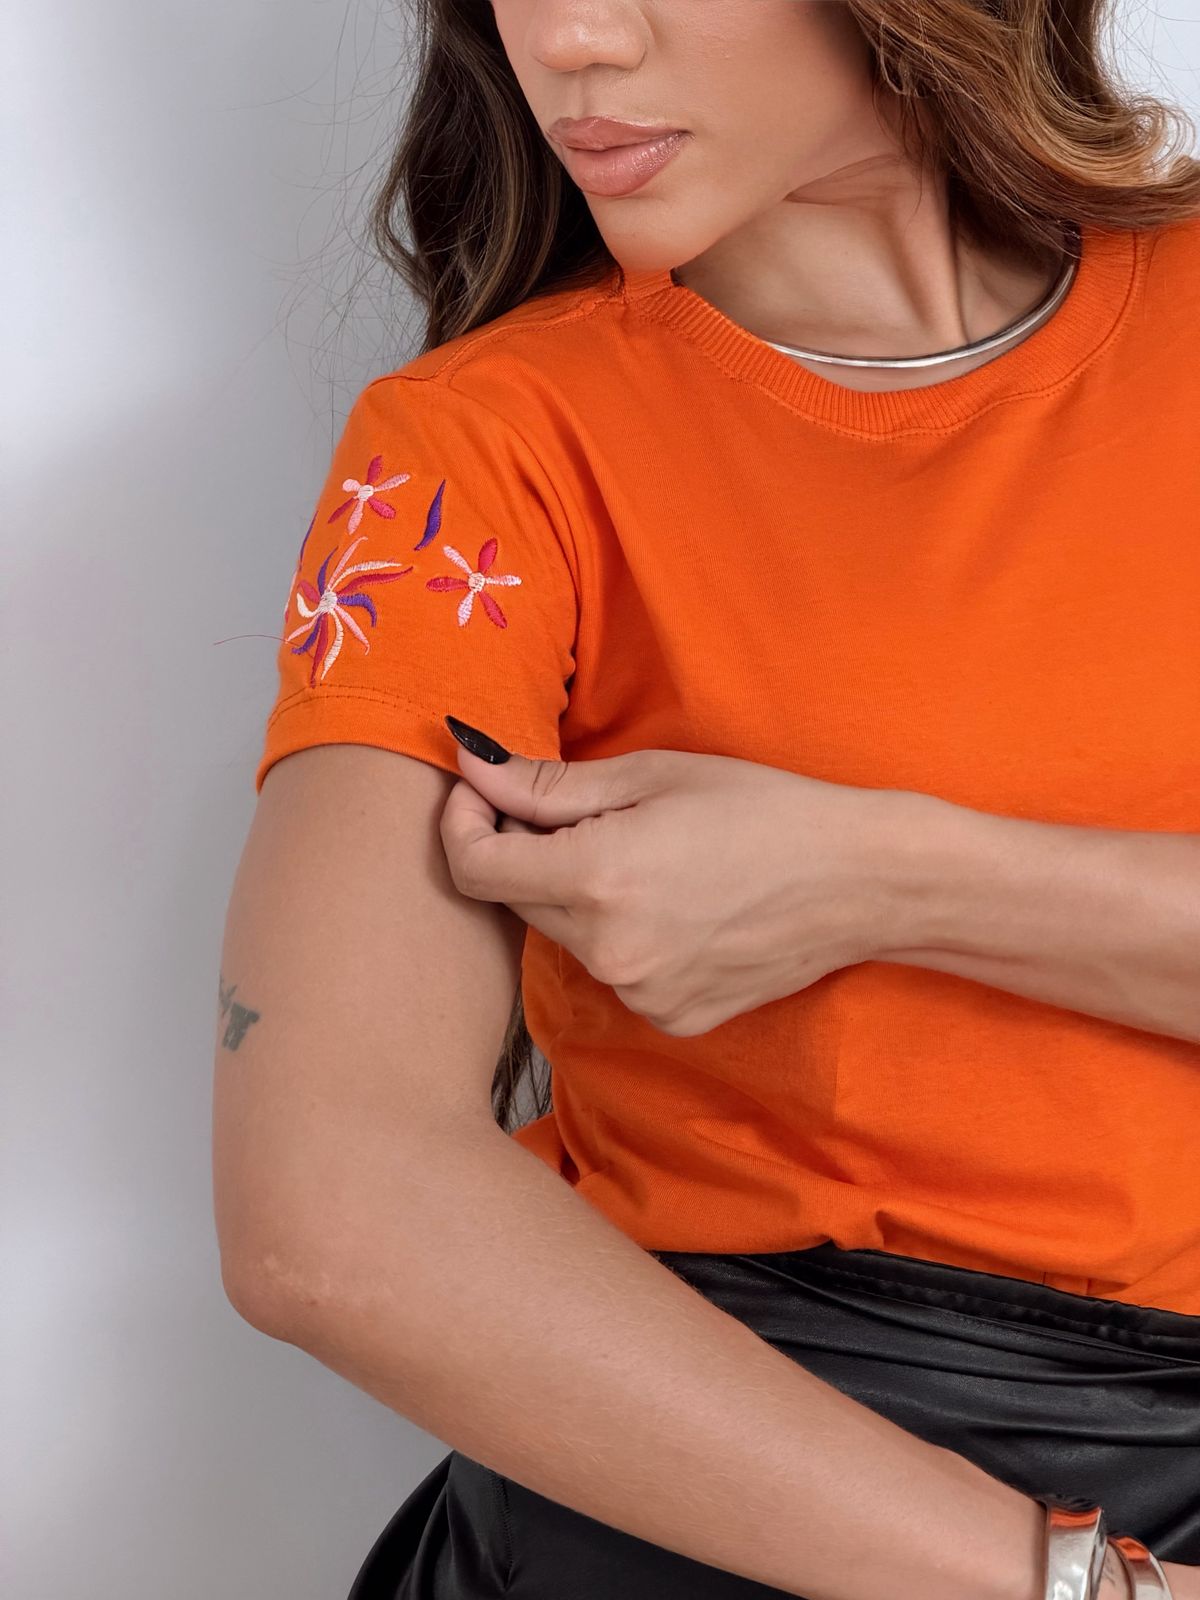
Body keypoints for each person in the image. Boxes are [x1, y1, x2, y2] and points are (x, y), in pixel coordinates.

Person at [212, 1, 1200, 1596]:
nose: (571, 40)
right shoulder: (484, 450)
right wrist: (1076, 1591)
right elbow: (329, 1211)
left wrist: (885, 878)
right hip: (743, 1500)